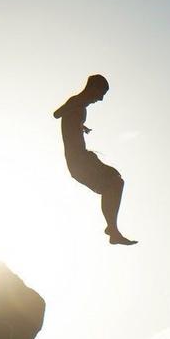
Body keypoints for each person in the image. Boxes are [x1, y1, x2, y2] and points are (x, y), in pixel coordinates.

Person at [53, 75, 137, 246]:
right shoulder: (77, 102)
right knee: (115, 182)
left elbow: (69, 119)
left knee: (114, 181)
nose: (101, 99)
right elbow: (57, 114)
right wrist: (73, 107)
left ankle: (112, 229)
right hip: (79, 161)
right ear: (92, 88)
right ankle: (112, 230)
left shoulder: (80, 106)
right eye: (101, 93)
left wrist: (80, 126)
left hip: (80, 160)